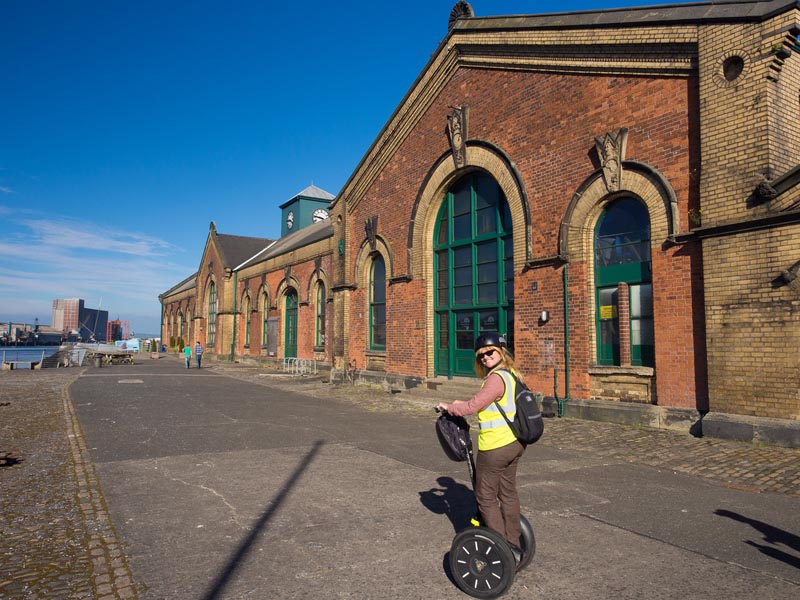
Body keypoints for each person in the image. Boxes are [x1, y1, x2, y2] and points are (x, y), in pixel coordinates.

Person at [436, 332, 526, 559]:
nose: (485, 357)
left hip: (495, 447)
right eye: (481, 356)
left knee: (485, 496)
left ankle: (501, 549)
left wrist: (449, 406)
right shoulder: (512, 374)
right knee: (507, 493)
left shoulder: (496, 378)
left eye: (490, 352)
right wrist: (460, 404)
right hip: (514, 443)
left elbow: (474, 405)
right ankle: (514, 543)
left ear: (501, 351)